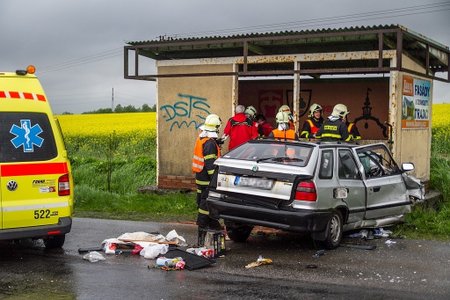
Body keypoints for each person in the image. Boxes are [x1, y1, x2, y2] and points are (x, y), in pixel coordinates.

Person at [192, 114, 223, 244]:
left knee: (201, 201)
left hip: (200, 177)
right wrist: (214, 180)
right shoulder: (210, 143)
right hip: (207, 179)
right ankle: (203, 227)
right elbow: (210, 164)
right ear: (216, 128)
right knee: (205, 205)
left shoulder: (202, 138)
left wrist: (217, 143)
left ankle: (208, 224)